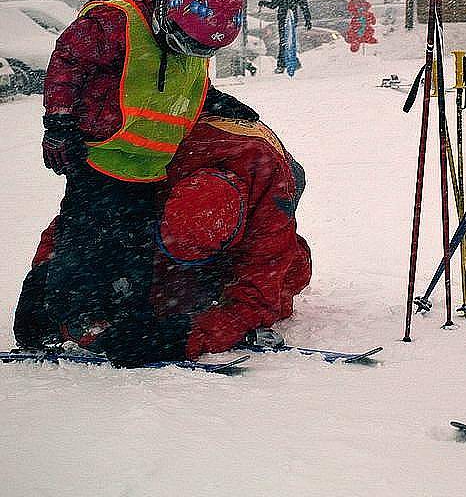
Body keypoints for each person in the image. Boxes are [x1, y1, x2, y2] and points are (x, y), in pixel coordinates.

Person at [37, 0, 258, 362]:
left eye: (203, 50)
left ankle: (123, 318)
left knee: (135, 252)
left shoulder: (191, 36)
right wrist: (59, 122)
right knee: (86, 248)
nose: (192, 53)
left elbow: (183, 84)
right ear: (166, 9)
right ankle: (68, 317)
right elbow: (67, 62)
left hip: (149, 171)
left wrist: (218, 101)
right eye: (186, 43)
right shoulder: (116, 23)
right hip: (98, 163)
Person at [15, 113, 311, 365]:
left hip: (273, 164)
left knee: (286, 277)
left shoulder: (270, 199)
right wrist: (47, 275)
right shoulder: (151, 161)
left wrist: (183, 338)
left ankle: (206, 277)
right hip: (188, 145)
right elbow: (82, 219)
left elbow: (258, 297)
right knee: (125, 274)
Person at [258, 0, 312, 74]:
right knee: (286, 41)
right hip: (282, 19)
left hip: (290, 19)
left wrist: (307, 19)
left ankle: (282, 64)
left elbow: (303, 5)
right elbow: (273, 5)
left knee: (287, 41)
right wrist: (264, 3)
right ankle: (292, 62)